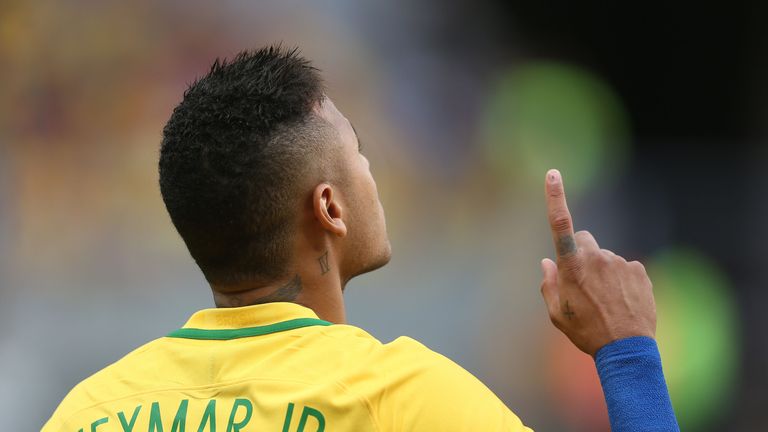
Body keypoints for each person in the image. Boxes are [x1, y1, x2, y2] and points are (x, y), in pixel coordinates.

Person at [43, 46, 678, 431]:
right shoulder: (403, 401)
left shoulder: (88, 411)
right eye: (362, 154)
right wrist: (627, 355)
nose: (375, 174)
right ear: (330, 207)